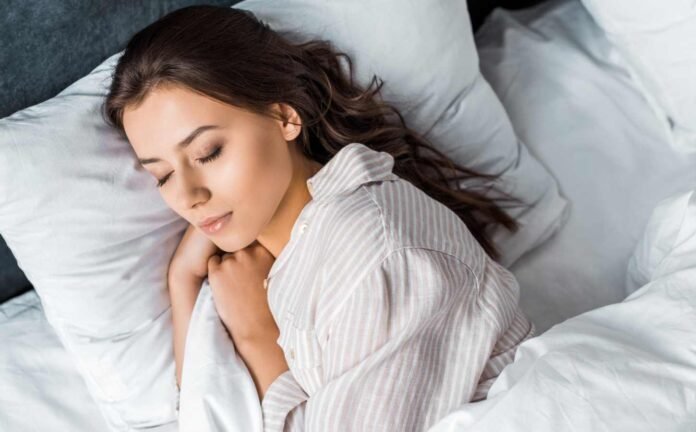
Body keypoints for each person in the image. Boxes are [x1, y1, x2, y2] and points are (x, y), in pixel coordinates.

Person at [102, 5, 536, 431]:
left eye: (208, 153)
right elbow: (202, 414)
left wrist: (258, 338)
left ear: (284, 117)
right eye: (162, 175)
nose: (189, 197)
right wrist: (182, 280)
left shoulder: (375, 253)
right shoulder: (248, 264)